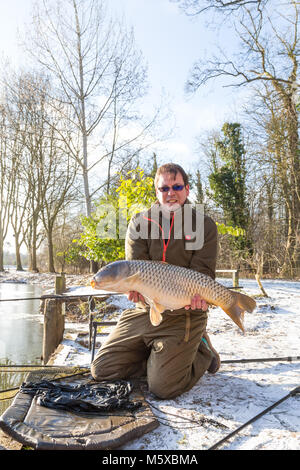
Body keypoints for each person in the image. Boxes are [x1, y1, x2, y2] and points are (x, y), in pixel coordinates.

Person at [91, 163, 220, 399]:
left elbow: (202, 275)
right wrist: (134, 291)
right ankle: (158, 360)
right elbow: (134, 270)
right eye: (164, 188)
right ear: (156, 192)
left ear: (187, 189)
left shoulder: (204, 225)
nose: (170, 193)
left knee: (163, 388)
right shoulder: (139, 223)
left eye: (177, 186)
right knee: (102, 370)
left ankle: (202, 348)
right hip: (145, 310)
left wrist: (202, 300)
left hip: (185, 313)